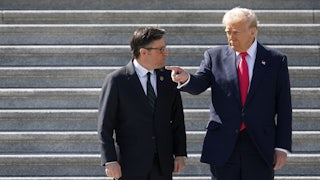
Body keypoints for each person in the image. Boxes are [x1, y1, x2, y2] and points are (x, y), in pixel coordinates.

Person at [166, 7, 292, 180]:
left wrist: (282, 147)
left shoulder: (275, 60)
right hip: (223, 145)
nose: (231, 37)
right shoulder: (214, 56)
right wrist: (186, 78)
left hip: (259, 145)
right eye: (228, 32)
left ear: (252, 32)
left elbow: (284, 106)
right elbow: (199, 83)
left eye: (236, 32)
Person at [97, 26, 187, 180]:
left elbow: (177, 120)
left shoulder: (168, 79)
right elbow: (105, 125)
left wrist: (180, 153)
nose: (166, 53)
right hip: (130, 165)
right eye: (161, 49)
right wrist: (110, 160)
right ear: (144, 52)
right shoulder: (117, 80)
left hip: (162, 165)